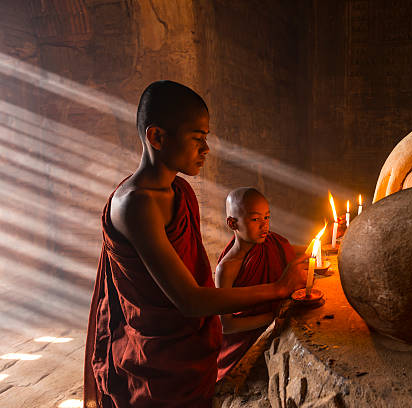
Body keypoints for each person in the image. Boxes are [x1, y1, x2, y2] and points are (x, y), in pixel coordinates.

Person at [83, 80, 307, 408]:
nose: (206, 149)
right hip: (158, 358)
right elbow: (190, 300)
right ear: (157, 137)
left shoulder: (181, 191)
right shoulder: (135, 205)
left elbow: (193, 274)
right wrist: (278, 288)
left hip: (191, 344)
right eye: (197, 139)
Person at [215, 187, 297, 381]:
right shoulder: (227, 268)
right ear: (232, 223)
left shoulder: (273, 244)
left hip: (276, 328)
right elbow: (226, 325)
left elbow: (307, 252)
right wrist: (272, 318)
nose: (264, 226)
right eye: (255, 219)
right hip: (243, 343)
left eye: (267, 218)